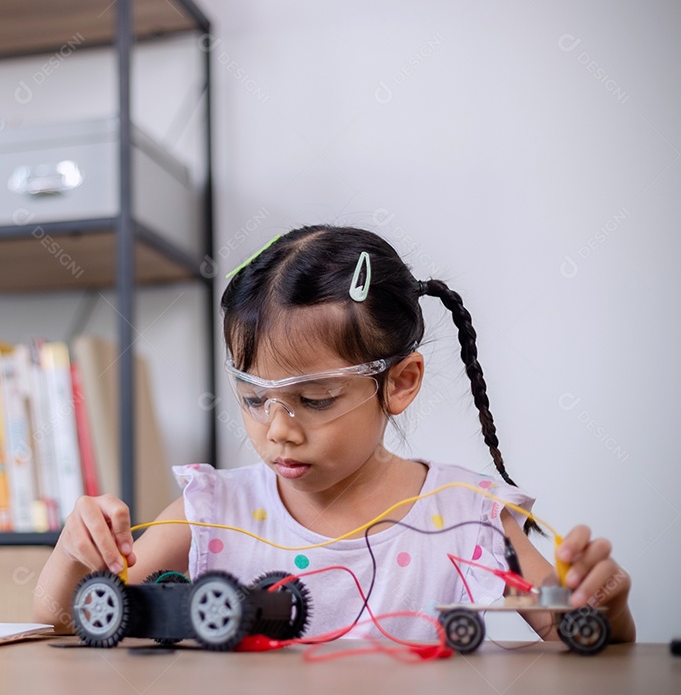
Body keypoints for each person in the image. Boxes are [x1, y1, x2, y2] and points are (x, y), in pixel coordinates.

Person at [33, 224, 635, 643]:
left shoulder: (465, 515)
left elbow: (571, 629)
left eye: (312, 400)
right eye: (252, 398)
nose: (277, 433)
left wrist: (603, 606)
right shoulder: (212, 511)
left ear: (400, 382)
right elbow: (66, 619)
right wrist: (73, 553)